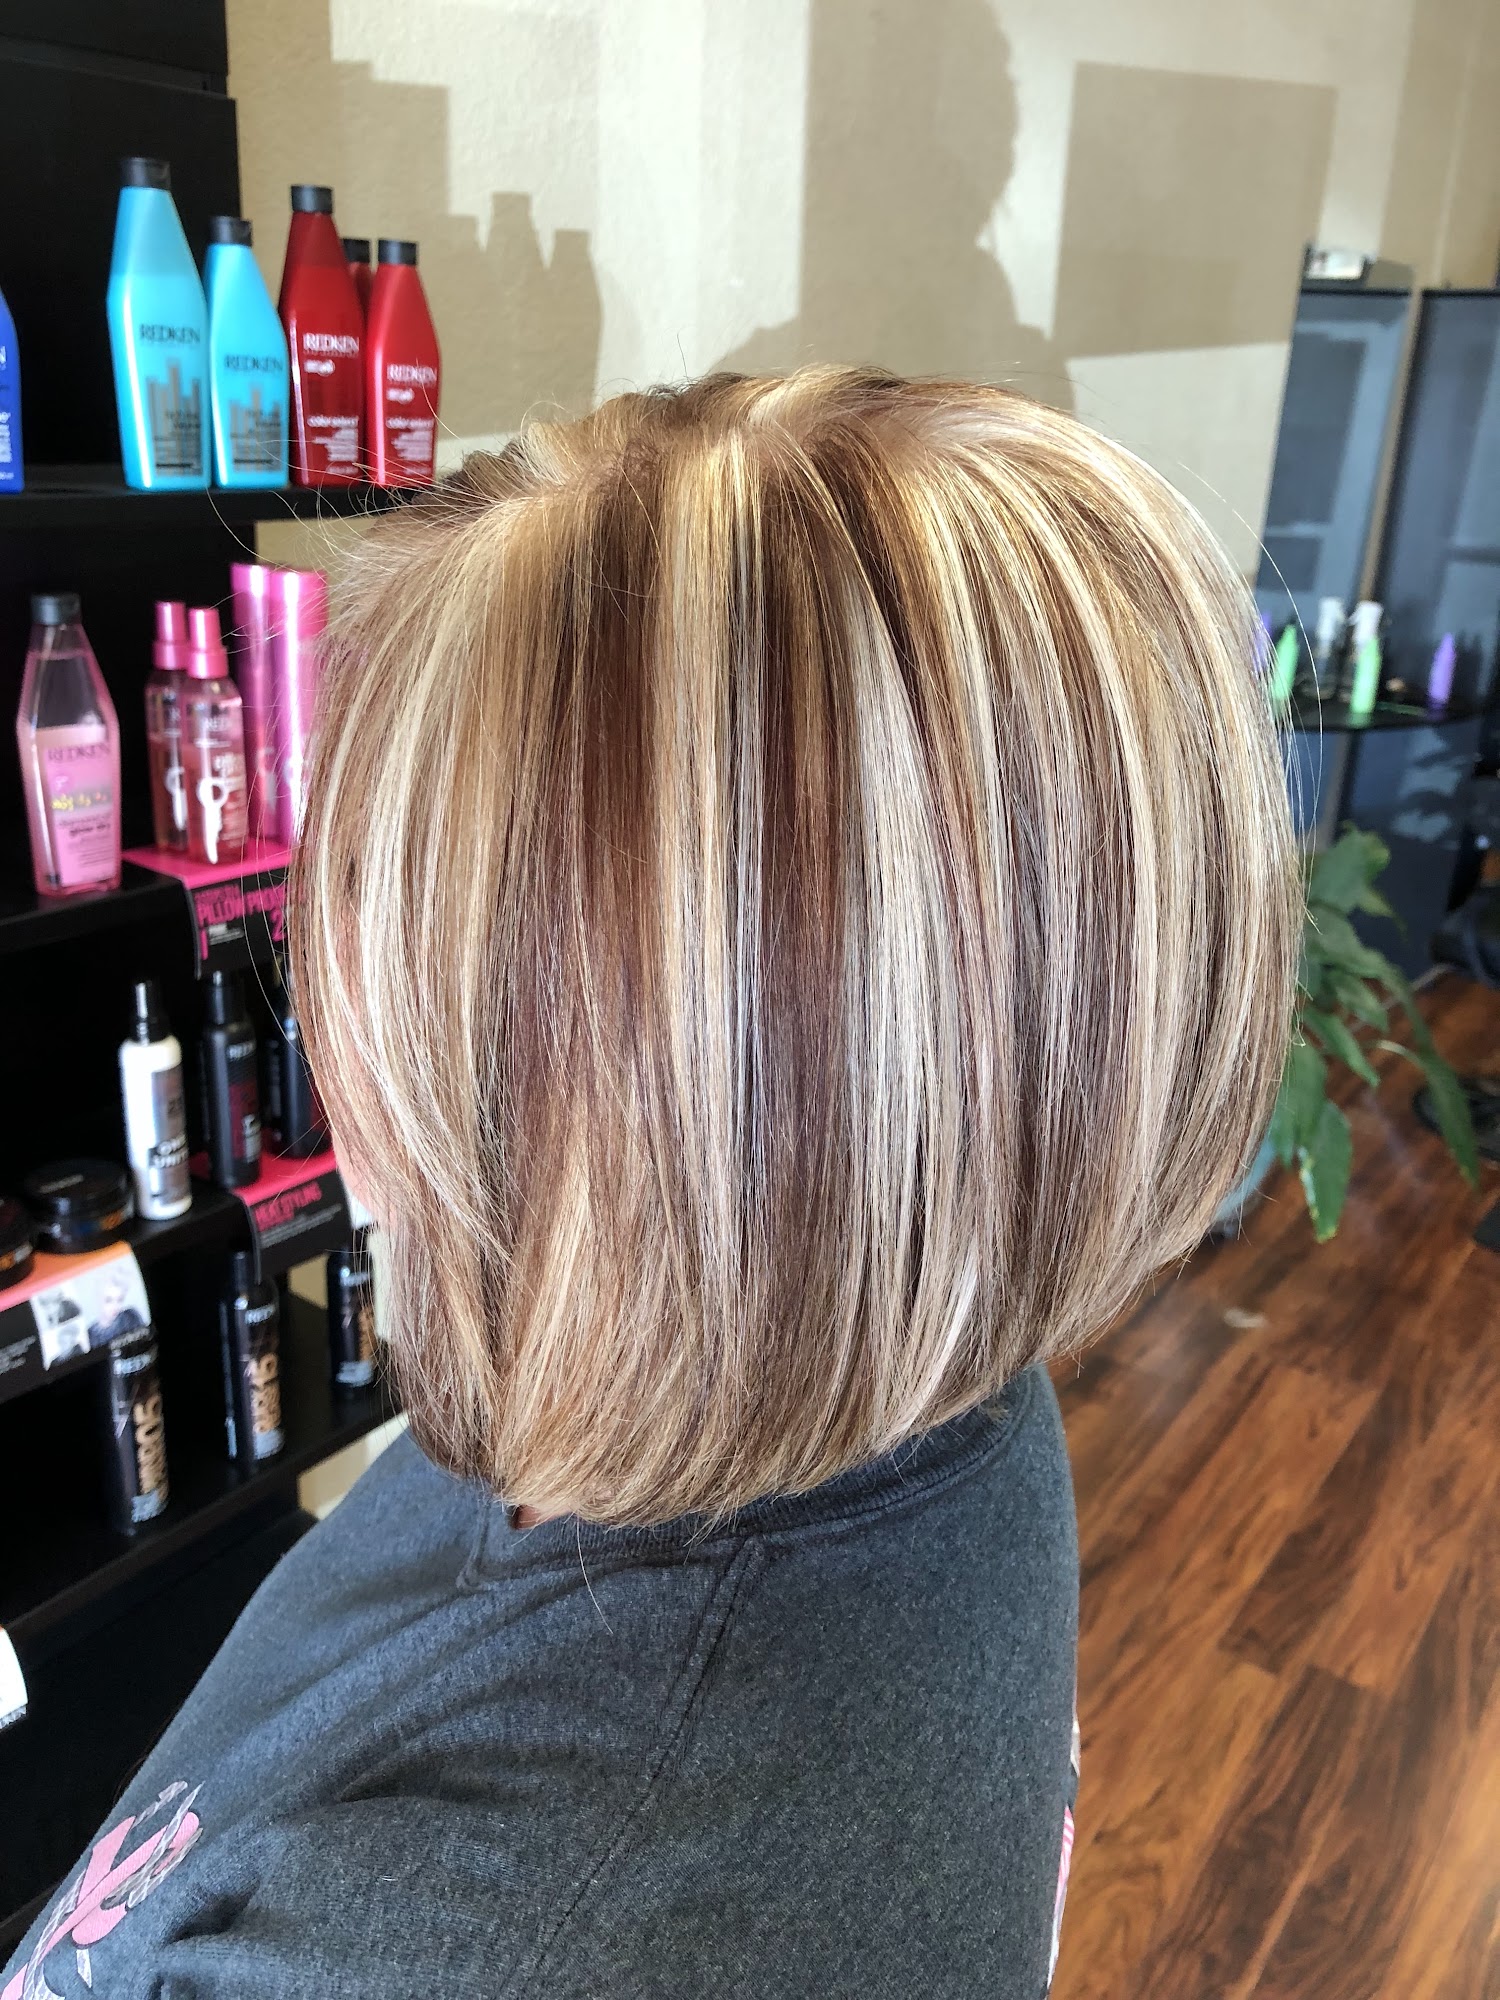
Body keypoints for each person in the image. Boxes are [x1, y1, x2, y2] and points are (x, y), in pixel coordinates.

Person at [2, 371, 1297, 1999]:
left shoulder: (477, 1951)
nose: (334, 1043)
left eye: (394, 948)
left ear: (673, 1115)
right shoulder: (929, 1388)